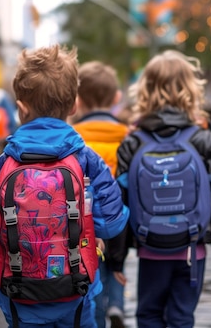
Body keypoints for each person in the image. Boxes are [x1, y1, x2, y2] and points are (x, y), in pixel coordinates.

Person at [0, 44, 129, 328]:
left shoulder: (2, 166)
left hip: (19, 290)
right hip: (77, 288)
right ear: (74, 106)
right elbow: (113, 222)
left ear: (20, 109)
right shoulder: (85, 158)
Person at [116, 49, 211, 328]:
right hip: (192, 249)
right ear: (191, 90)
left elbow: (119, 201)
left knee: (148, 314)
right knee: (182, 317)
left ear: (145, 90)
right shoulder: (204, 139)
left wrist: (116, 258)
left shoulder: (133, 143)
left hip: (150, 247)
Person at [72, 61, 129, 328]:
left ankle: (97, 317)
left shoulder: (74, 137)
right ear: (116, 98)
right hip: (119, 217)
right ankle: (117, 305)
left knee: (92, 273)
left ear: (78, 100)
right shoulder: (127, 136)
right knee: (117, 264)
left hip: (83, 222)